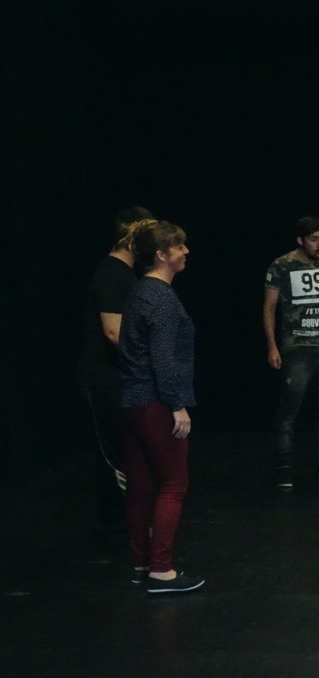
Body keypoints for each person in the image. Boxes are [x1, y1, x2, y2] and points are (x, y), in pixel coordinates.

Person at [118, 220, 204, 593]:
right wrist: (177, 406)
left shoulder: (139, 291)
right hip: (154, 402)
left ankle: (141, 562)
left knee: (140, 486)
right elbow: (164, 361)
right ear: (161, 254)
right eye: (179, 246)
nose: (186, 252)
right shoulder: (162, 298)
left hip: (131, 401)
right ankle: (161, 570)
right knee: (173, 484)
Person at [78, 206, 153, 529]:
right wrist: (148, 364)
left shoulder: (125, 272)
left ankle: (122, 520)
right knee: (114, 452)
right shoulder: (112, 273)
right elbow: (113, 332)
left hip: (116, 375)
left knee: (125, 446)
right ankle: (127, 520)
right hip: (102, 377)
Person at [263, 216, 319, 488]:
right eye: (314, 239)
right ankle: (283, 464)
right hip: (296, 345)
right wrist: (272, 346)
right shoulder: (282, 264)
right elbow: (269, 307)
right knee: (290, 408)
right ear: (300, 240)